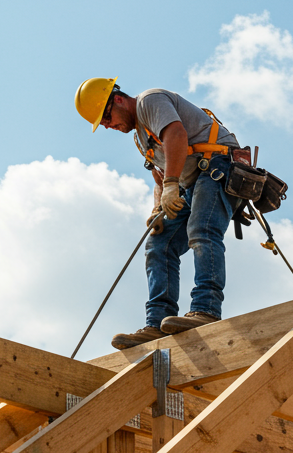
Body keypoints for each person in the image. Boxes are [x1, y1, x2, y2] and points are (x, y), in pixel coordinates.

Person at [75, 77, 241, 349]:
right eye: (103, 125)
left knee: (201, 229)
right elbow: (160, 176)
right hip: (188, 182)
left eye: (106, 118)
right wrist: (158, 207)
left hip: (217, 166)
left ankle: (206, 309)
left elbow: (176, 135)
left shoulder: (149, 101)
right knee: (158, 245)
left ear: (117, 99)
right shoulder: (140, 137)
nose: (108, 126)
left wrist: (172, 186)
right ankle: (158, 322)